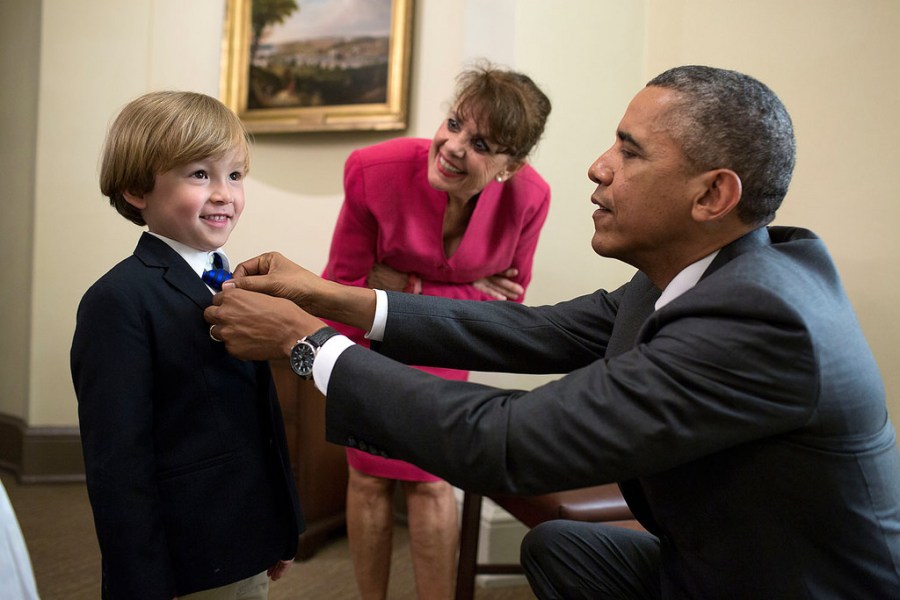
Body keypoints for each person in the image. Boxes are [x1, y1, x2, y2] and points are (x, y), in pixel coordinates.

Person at [204, 65, 900, 599]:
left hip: (791, 585)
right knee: (561, 548)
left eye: (630, 152)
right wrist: (327, 296)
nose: (598, 166)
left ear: (712, 195)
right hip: (709, 556)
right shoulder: (688, 274)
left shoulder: (760, 320)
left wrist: (305, 341)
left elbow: (508, 442)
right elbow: (531, 330)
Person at [322, 62, 551, 600]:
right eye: (453, 124)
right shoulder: (372, 171)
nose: (452, 146)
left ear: (511, 166)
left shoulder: (530, 198)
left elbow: (505, 308)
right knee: (368, 479)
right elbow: (340, 289)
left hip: (448, 347)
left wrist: (410, 286)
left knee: (430, 483)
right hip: (367, 342)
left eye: (480, 144)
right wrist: (461, 290)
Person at [70, 91, 302, 600]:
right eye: (200, 175)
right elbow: (118, 466)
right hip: (186, 558)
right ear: (137, 188)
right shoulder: (118, 301)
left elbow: (262, 422)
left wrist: (282, 524)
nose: (224, 194)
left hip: (250, 536)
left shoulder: (234, 283)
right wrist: (140, 582)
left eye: (235, 175)